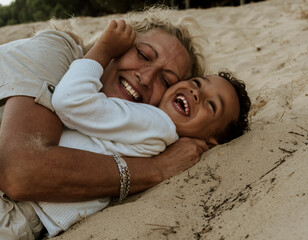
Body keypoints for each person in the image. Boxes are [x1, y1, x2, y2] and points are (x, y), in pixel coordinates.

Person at [0, 19, 251, 239]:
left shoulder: (149, 130)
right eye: (143, 55)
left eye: (166, 80)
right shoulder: (57, 51)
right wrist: (156, 169)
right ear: (119, 44)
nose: (145, 77)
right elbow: (19, 172)